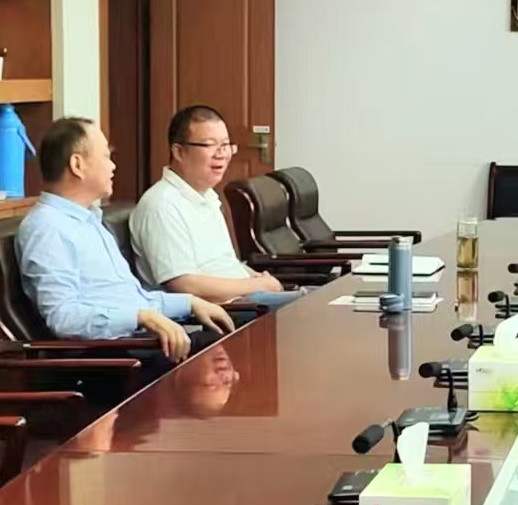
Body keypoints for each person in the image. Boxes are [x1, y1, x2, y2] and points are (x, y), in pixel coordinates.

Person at [16, 116, 235, 367]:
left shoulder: (90, 221)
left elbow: (136, 301)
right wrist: (141, 317)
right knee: (223, 352)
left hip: (135, 343)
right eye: (106, 156)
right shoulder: (47, 228)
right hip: (107, 360)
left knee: (232, 338)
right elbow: (63, 318)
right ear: (77, 165)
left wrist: (190, 303)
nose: (113, 166)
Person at [128, 105, 303, 314]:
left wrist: (254, 276)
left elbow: (222, 263)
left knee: (326, 302)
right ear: (179, 152)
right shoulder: (161, 205)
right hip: (222, 312)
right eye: (210, 145)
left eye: (225, 145)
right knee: (312, 308)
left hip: (246, 298)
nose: (221, 154)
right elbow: (184, 285)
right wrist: (256, 285)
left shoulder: (207, 196)